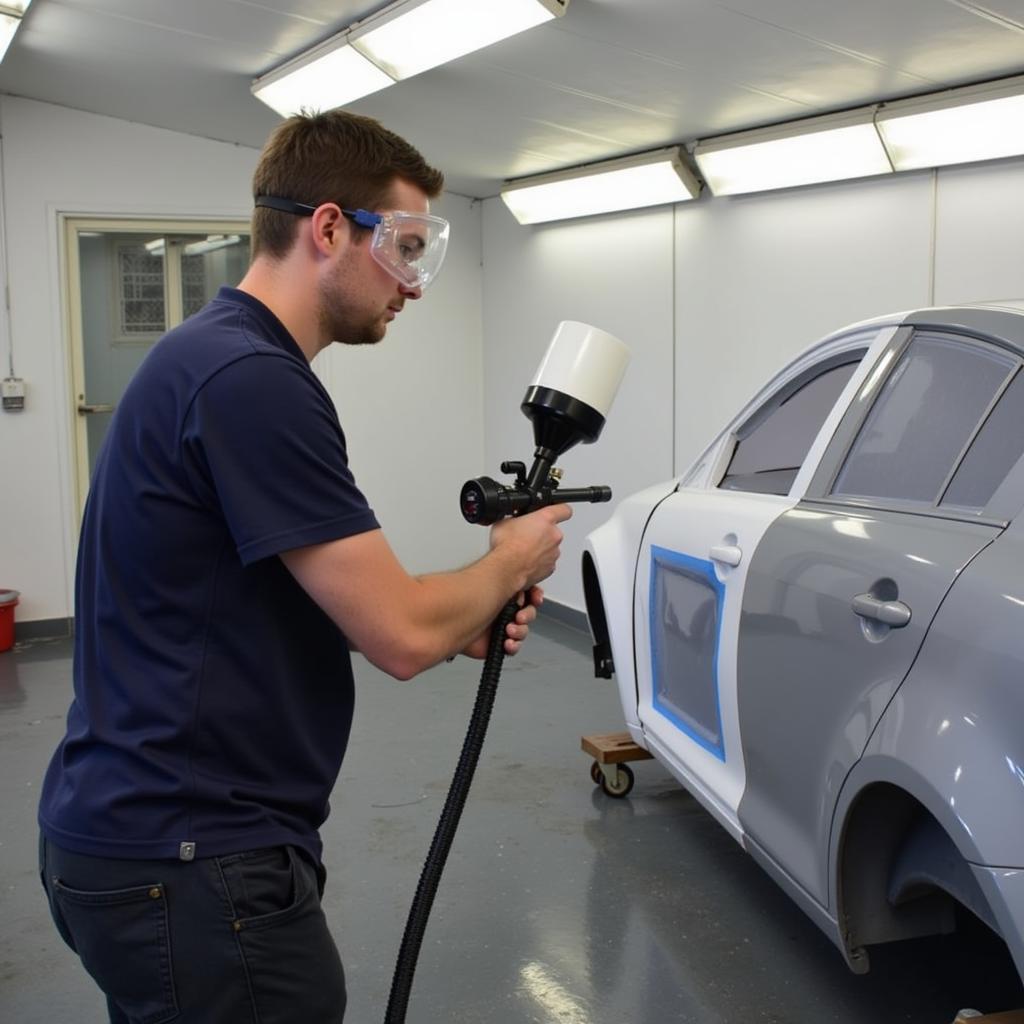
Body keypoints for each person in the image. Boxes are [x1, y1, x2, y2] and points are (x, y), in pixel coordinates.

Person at [38, 109, 571, 1024]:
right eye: (403, 247)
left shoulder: (209, 355)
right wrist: (510, 560)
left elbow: (307, 600)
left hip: (143, 842)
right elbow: (398, 634)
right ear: (328, 228)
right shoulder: (251, 379)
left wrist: (462, 623)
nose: (414, 284)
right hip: (196, 862)